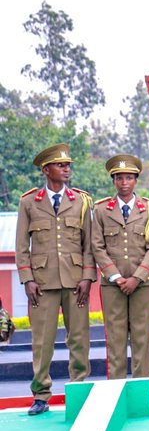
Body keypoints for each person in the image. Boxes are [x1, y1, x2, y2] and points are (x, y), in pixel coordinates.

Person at [17, 144, 95, 415]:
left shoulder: (82, 201)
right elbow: (21, 246)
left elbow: (88, 244)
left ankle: (79, 389)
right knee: (42, 341)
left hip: (75, 282)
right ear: (46, 169)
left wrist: (87, 277)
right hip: (42, 282)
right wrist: (27, 279)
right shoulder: (29, 202)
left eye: (68, 165)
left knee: (79, 338)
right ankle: (41, 394)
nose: (66, 169)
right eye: (61, 165)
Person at [91, 155, 149, 380]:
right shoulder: (101, 210)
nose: (124, 183)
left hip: (143, 284)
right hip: (113, 285)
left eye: (129, 178)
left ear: (136, 180)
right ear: (113, 181)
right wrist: (116, 276)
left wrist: (137, 277)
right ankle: (116, 388)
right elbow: (97, 246)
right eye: (119, 178)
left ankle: (141, 387)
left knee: (142, 337)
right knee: (115, 337)